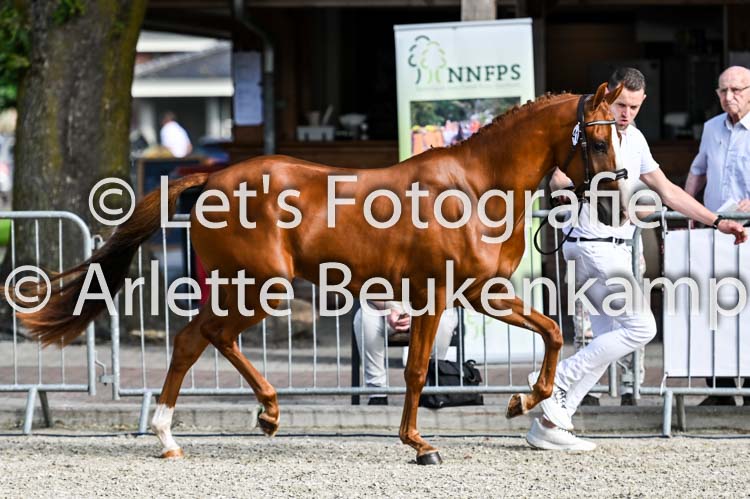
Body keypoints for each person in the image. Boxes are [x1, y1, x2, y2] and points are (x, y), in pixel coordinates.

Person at [526, 67, 748, 451]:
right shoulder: (589, 130)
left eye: (633, 106)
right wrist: (575, 188)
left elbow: (668, 192)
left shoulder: (637, 139)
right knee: (642, 327)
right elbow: (558, 177)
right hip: (593, 245)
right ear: (608, 98)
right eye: (620, 105)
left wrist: (716, 221)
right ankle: (553, 379)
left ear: (642, 102)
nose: (626, 113)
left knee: (608, 339)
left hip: (609, 247)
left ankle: (550, 424)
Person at [684, 65, 750, 406]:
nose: (729, 96)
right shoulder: (712, 128)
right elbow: (698, 170)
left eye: (737, 89)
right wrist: (686, 210)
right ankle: (719, 389)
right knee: (716, 309)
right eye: (723, 90)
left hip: (749, 232)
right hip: (716, 230)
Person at [353, 301, 457, 405]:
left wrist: (417, 314)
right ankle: (377, 393)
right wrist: (387, 309)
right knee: (364, 317)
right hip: (385, 309)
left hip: (426, 310)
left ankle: (431, 383)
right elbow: (366, 292)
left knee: (444, 318)